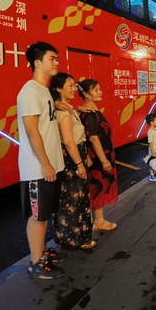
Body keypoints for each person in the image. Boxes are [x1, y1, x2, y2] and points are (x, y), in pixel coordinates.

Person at [17, 41, 66, 279]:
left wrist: (57, 105)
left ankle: (42, 253)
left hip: (49, 166)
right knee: (37, 217)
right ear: (37, 63)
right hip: (38, 168)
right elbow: (31, 131)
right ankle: (35, 263)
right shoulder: (29, 91)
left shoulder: (43, 91)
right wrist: (46, 164)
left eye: (57, 58)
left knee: (45, 214)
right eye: (52, 58)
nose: (57, 62)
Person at [49, 73, 95, 249]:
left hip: (70, 158)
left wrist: (77, 110)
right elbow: (69, 141)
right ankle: (79, 239)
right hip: (72, 160)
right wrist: (80, 165)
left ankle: (66, 237)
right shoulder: (64, 114)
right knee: (76, 201)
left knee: (67, 200)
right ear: (59, 89)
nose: (74, 89)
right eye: (69, 85)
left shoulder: (66, 110)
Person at [78, 79, 118, 232]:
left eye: (99, 89)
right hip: (97, 159)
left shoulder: (91, 111)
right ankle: (98, 222)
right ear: (86, 94)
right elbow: (93, 138)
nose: (100, 92)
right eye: (95, 90)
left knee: (98, 187)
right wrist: (104, 160)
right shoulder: (89, 114)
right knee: (97, 187)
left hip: (100, 157)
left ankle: (98, 220)